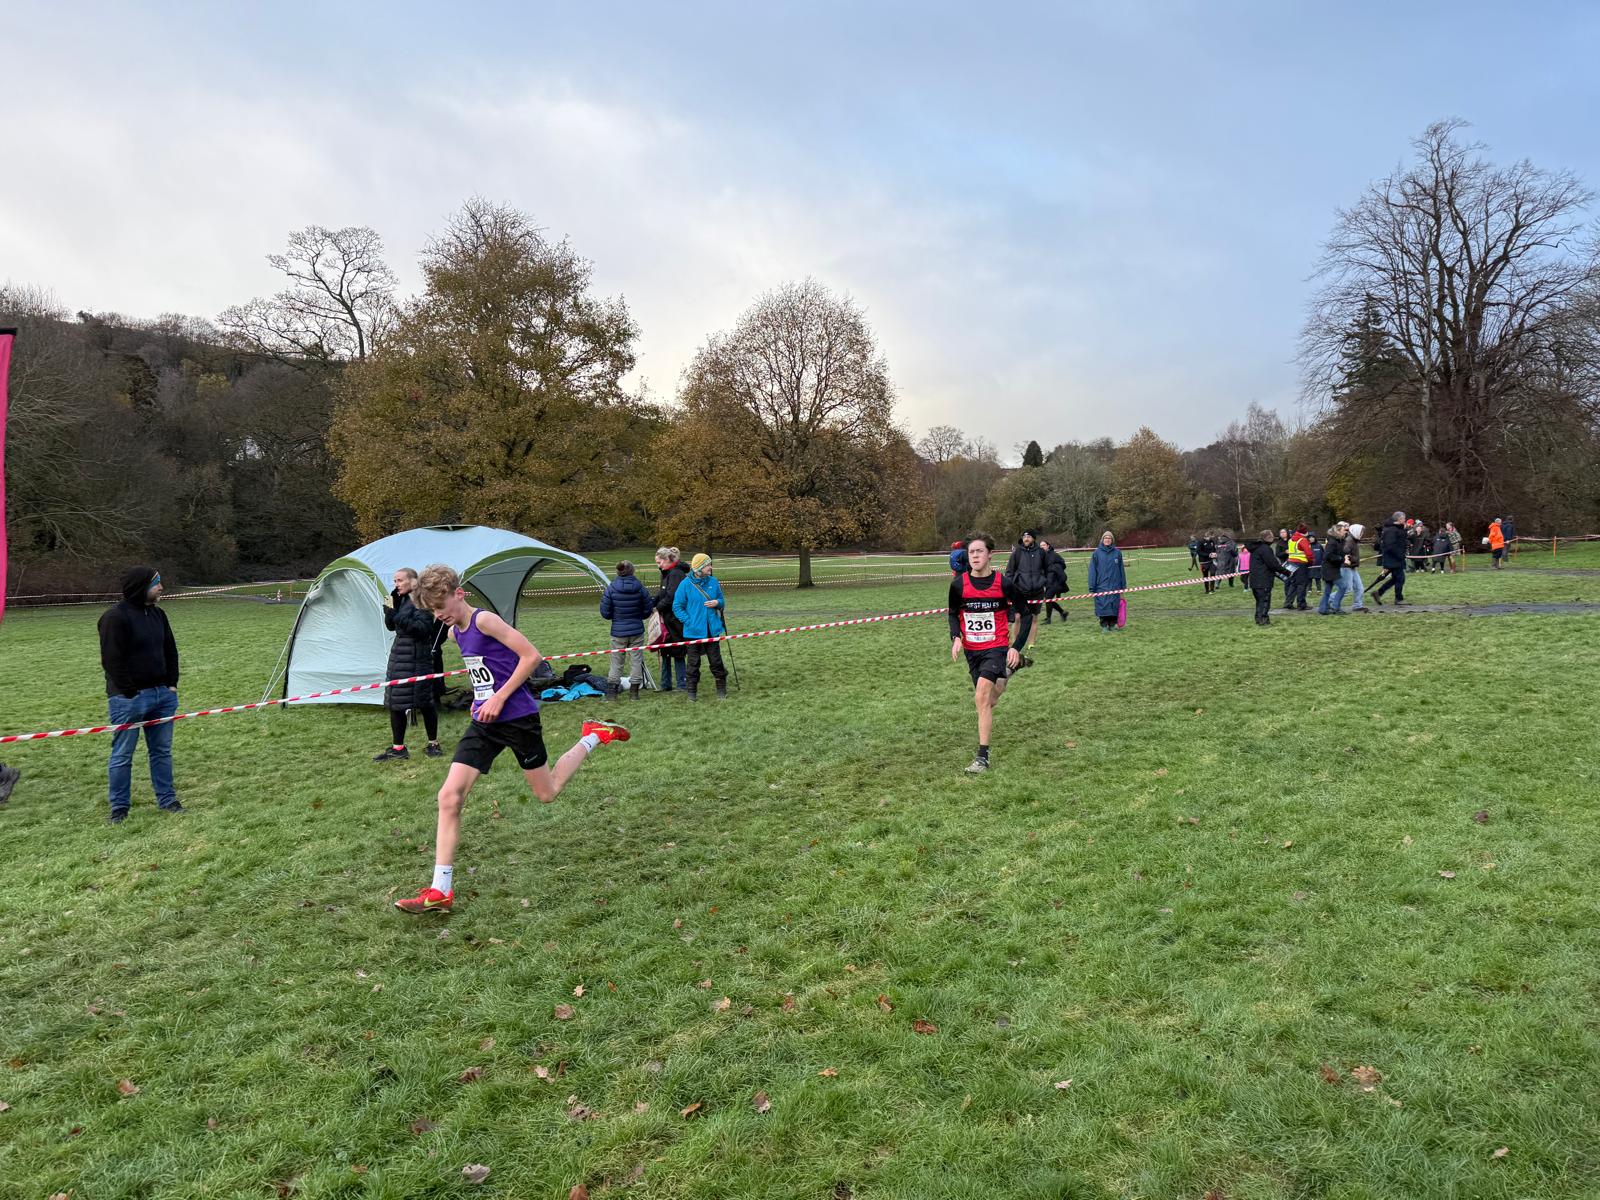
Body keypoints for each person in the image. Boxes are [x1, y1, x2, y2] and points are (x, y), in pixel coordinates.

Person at [395, 565, 630, 914]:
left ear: (460, 594)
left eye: (440, 605)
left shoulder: (484, 621)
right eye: (432, 610)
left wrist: (499, 697)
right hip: (484, 721)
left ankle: (593, 736)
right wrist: (483, 698)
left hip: (517, 716)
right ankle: (440, 889)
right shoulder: (453, 631)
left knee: (547, 793)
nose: (438, 614)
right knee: (449, 796)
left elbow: (531, 656)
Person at [98, 566, 183, 824]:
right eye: (157, 583)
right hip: (128, 699)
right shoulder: (115, 618)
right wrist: (131, 693)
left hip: (162, 695)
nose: (161, 588)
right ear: (141, 586)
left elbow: (170, 650)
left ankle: (168, 800)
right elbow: (112, 661)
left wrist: (171, 684)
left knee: (161, 751)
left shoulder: (159, 615)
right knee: (123, 754)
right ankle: (120, 808)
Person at [948, 532, 1033, 773]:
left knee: (981, 697)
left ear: (989, 555)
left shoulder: (1004, 584)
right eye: (971, 552)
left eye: (979, 551)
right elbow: (953, 613)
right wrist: (955, 637)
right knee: (988, 700)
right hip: (972, 651)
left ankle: (982, 757)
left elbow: (1025, 615)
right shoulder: (958, 585)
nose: (974, 556)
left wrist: (1015, 647)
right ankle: (1009, 669)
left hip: (996, 647)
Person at [374, 567, 447, 762]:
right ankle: (398, 748)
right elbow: (392, 626)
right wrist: (389, 610)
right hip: (399, 656)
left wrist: (397, 614)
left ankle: (433, 743)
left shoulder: (422, 602)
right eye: (395, 581)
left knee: (425, 702)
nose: (396, 584)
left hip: (418, 658)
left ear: (413, 581)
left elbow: (423, 629)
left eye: (399, 580)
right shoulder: (402, 599)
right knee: (395, 702)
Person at [673, 553, 729, 701]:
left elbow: (722, 600)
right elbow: (677, 606)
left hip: (712, 631)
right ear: (699, 568)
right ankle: (692, 694)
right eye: (708, 565)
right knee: (693, 664)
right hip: (692, 632)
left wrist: (718, 603)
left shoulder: (713, 581)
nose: (710, 567)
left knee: (716, 661)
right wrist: (689, 622)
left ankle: (722, 691)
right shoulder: (685, 584)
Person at [599, 561, 653, 700]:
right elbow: (648, 608)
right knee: (636, 660)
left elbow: (605, 612)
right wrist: (638, 617)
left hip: (618, 631)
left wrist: (617, 618)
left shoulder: (611, 589)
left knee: (617, 661)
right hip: (636, 630)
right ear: (632, 571)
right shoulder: (640, 588)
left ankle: (612, 693)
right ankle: (634, 693)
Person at [651, 547, 691, 693]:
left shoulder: (676, 574)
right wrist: (652, 603)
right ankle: (665, 684)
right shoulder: (666, 573)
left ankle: (682, 684)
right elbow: (662, 593)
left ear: (667, 560)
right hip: (666, 619)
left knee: (678, 650)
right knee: (665, 650)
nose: (658, 565)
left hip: (675, 620)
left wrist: (658, 608)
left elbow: (671, 596)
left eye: (659, 562)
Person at [1004, 529, 1049, 648]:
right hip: (1020, 591)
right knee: (1018, 617)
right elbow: (1009, 572)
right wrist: (1010, 588)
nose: (1026, 538)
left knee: (1034, 618)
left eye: (1028, 536)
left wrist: (1044, 582)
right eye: (1024, 536)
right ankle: (1016, 644)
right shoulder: (1017, 553)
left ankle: (1031, 644)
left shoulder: (1041, 552)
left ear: (1033, 538)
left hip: (1037, 591)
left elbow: (1048, 570)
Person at [1245, 530, 1292, 625]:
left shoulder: (1256, 548)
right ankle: (1263, 620)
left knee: (1259, 601)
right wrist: (1286, 572)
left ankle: (1259, 619)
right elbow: (1273, 564)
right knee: (1264, 601)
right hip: (1263, 579)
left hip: (1255, 579)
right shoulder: (1265, 549)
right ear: (1268, 538)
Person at [1086, 529, 1127, 632]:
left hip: (1115, 585)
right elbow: (1092, 571)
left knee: (1114, 606)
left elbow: (1121, 570)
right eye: (1105, 538)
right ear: (1102, 539)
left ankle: (1112, 625)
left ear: (1112, 540)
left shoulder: (1117, 553)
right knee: (1103, 605)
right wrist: (1092, 587)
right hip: (1101, 585)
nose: (1107, 539)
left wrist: (1123, 586)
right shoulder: (1096, 553)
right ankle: (1104, 625)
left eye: (1109, 538)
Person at [1371, 511, 1409, 605]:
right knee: (1400, 578)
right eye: (1404, 519)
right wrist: (1400, 555)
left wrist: (1404, 530)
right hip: (1393, 558)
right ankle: (1398, 599)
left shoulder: (1395, 528)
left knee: (1396, 579)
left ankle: (1378, 593)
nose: (1405, 521)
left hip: (1395, 558)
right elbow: (1390, 546)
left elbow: (1400, 539)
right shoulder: (1391, 530)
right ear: (1399, 519)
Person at [1317, 523, 1347, 614]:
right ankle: (1335, 607)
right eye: (1343, 530)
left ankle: (1323, 609)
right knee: (1343, 587)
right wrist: (1341, 559)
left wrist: (1344, 557)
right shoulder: (1332, 542)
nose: (1345, 532)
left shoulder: (1338, 541)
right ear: (1337, 531)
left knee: (1328, 590)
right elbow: (1327, 555)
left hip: (1332, 569)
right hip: (1330, 570)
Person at [1282, 524, 1312, 609]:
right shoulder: (1303, 540)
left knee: (1293, 583)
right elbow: (1309, 554)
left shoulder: (1291, 539)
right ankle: (1301, 604)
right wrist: (1310, 562)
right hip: (1301, 563)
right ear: (1305, 532)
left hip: (1291, 563)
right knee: (1302, 584)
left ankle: (1288, 602)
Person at [1039, 538, 1069, 623]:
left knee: (1048, 598)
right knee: (1048, 599)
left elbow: (1063, 564)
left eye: (1043, 545)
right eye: (1040, 546)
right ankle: (1063, 612)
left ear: (1048, 546)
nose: (1042, 547)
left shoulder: (1054, 555)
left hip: (1055, 581)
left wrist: (1055, 569)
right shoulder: (1040, 556)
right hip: (1047, 581)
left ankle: (1048, 619)